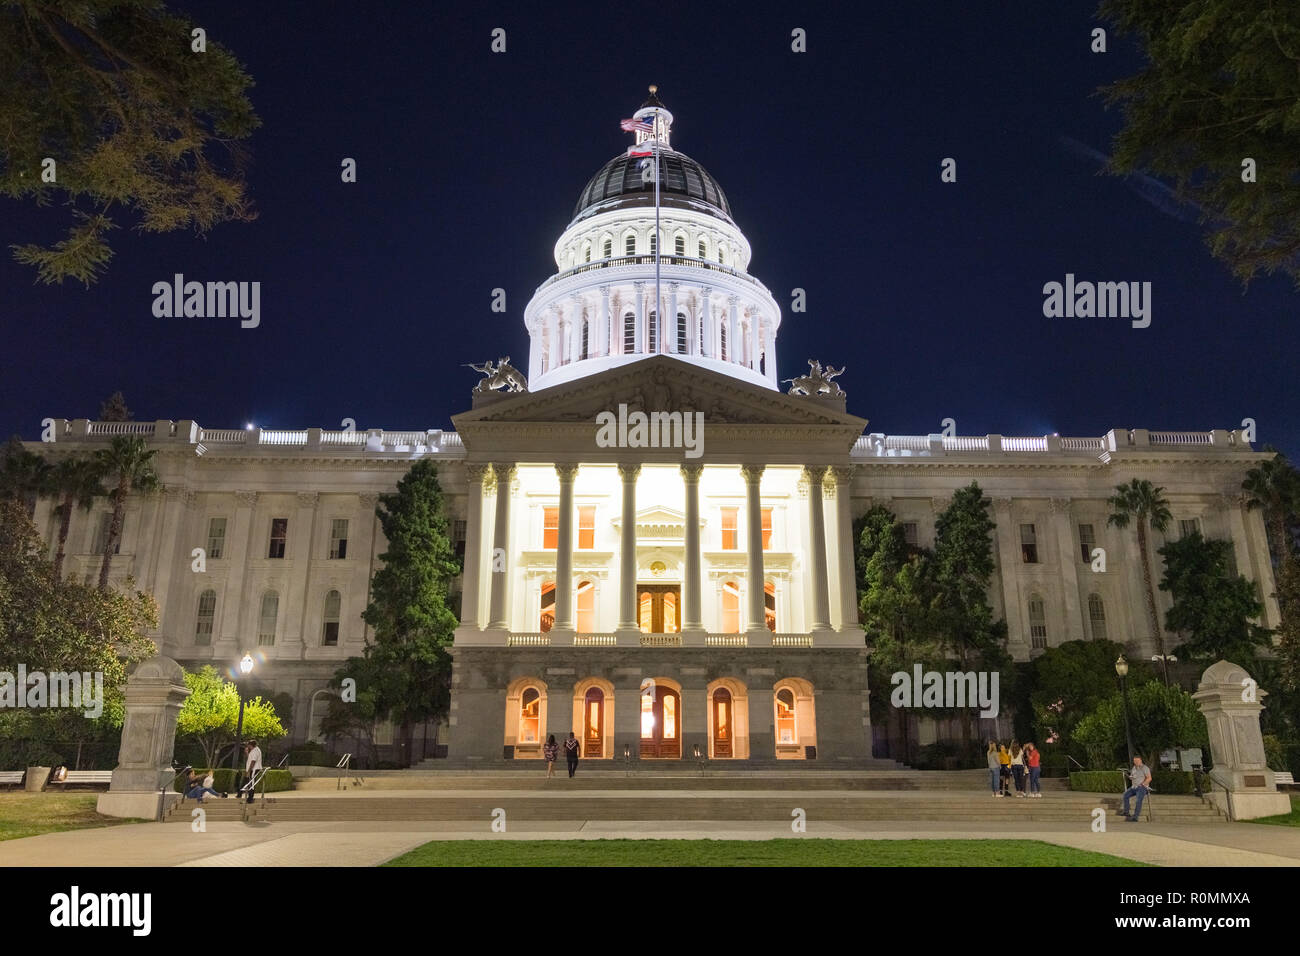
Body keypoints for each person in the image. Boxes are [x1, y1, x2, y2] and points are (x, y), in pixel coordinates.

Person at [1121, 755, 1152, 822]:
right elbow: (1133, 776)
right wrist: (1130, 777)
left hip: (1142, 788)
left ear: (1141, 760)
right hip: (1134, 787)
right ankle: (1126, 812)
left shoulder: (1145, 768)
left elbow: (1149, 778)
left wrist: (1142, 785)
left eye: (1137, 760)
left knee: (1138, 801)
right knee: (1125, 795)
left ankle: (1135, 817)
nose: (1136, 762)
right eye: (1135, 761)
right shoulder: (1134, 768)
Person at [243, 738, 263, 804]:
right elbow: (250, 758)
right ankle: (249, 797)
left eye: (248, 745)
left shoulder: (255, 751)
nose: (248, 746)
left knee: (251, 783)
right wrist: (247, 753)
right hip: (253, 769)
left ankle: (250, 798)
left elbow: (253, 761)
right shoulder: (254, 750)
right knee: (249, 782)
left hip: (254, 769)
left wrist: (249, 771)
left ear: (250, 745)